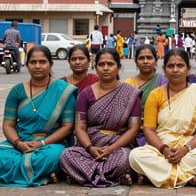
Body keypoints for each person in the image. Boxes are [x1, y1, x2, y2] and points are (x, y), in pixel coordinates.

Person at [129, 48, 196, 190]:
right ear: (164, 69)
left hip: (189, 144)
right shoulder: (155, 94)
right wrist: (164, 149)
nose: (175, 70)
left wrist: (185, 149)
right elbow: (148, 129)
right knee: (135, 156)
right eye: (171, 66)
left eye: (180, 66)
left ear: (188, 69)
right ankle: (190, 179)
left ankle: (158, 175)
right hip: (161, 146)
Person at [60, 48, 142, 187]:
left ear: (118, 67)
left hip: (118, 146)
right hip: (90, 145)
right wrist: (90, 148)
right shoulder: (86, 93)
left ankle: (83, 176)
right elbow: (80, 127)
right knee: (67, 155)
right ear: (95, 67)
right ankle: (115, 177)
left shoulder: (130, 94)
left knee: (125, 159)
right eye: (101, 64)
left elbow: (133, 129)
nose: (106, 68)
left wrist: (111, 149)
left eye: (110, 64)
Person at [0, 45, 77, 187]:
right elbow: (8, 125)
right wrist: (18, 143)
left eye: (42, 62)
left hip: (51, 144)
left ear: (50, 64)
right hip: (19, 141)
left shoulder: (63, 91)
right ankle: (43, 174)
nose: (37, 66)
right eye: (33, 62)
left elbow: (67, 127)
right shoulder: (17, 91)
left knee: (54, 157)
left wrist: (42, 143)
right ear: (27, 65)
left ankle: (29, 173)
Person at [124, 44, 167, 146]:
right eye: (141, 58)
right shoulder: (128, 84)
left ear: (155, 61)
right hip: (133, 131)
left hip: (160, 130)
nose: (145, 61)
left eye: (149, 58)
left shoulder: (164, 82)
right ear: (136, 62)